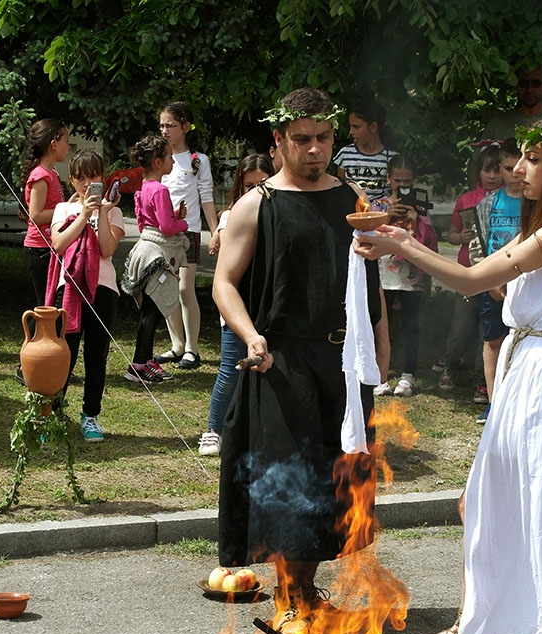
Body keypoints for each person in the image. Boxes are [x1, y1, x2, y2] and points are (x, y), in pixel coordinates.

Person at [355, 112, 542, 634]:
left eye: (533, 159)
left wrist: (401, 243)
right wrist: (403, 245)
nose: (518, 169)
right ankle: (476, 632)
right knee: (485, 501)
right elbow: (498, 282)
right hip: (533, 363)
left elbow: (471, 283)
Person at [212, 88, 381, 606]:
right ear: (278, 140)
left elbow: (369, 286)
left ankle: (305, 589)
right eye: (301, 139)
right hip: (282, 358)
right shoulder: (255, 205)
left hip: (344, 360)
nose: (314, 149)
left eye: (323, 138)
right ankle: (292, 597)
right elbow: (223, 283)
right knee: (291, 481)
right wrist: (250, 335)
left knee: (334, 478)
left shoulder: (352, 201)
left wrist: (379, 355)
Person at [198, 153, 275, 456]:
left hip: (268, 307)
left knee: (265, 369)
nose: (256, 190)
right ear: (239, 189)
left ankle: (255, 430)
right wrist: (218, 232)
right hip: (237, 306)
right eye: (248, 185)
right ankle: (213, 429)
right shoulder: (234, 215)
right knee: (231, 369)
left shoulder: (280, 211)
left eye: (263, 183)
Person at [48, 150, 125, 442]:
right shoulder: (63, 211)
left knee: (96, 356)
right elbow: (58, 244)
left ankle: (90, 415)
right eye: (80, 177)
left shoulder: (113, 211)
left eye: (92, 176)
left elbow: (106, 250)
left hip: (103, 289)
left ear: (102, 179)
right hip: (68, 288)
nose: (86, 183)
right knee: (62, 354)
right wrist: (83, 213)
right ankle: (53, 411)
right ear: (72, 180)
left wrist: (102, 212)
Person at [433, 145, 503, 394]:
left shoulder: (509, 200)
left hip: (496, 274)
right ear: (479, 173)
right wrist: (460, 235)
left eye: (497, 170)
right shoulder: (466, 199)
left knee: (489, 330)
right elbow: (450, 236)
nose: (492, 176)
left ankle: (481, 381)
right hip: (466, 271)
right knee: (460, 326)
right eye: (487, 171)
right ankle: (449, 365)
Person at [155, 101, 218, 371]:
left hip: (189, 232)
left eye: (170, 125)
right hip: (162, 233)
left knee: (184, 288)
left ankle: (192, 348)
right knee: (166, 289)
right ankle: (177, 345)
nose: (164, 130)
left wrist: (215, 231)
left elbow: (206, 197)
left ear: (185, 126)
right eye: (162, 125)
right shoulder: (159, 159)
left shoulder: (198, 160)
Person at [120, 134, 187, 385]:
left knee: (150, 310)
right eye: (169, 157)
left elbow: (144, 222)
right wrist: (182, 221)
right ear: (158, 162)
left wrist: (171, 215)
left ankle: (145, 360)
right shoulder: (160, 189)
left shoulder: (142, 189)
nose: (172, 161)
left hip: (146, 248)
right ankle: (138, 364)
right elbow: (168, 227)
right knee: (153, 312)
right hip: (158, 253)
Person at [370, 153, 438, 399]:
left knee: (411, 326)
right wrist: (388, 216)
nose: (402, 185)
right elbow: (368, 236)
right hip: (383, 275)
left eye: (407, 180)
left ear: (415, 180)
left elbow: (429, 243)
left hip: (412, 276)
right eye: (398, 180)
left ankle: (409, 375)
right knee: (381, 327)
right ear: (389, 179)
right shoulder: (377, 206)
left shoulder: (420, 207)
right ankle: (380, 375)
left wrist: (415, 220)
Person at [471, 139, 524, 422]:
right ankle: (494, 401)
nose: (515, 172)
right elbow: (477, 244)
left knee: (522, 344)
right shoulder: (487, 203)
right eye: (507, 167)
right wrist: (489, 282)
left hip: (526, 282)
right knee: (493, 341)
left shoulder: (536, 203)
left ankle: (517, 402)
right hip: (493, 283)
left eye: (519, 166)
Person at [22, 119, 69, 306]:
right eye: (66, 141)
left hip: (51, 246)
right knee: (46, 306)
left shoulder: (53, 172)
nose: (68, 146)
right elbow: (36, 215)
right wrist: (65, 211)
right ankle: (34, 336)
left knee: (53, 304)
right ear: (54, 144)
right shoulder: (40, 175)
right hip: (39, 249)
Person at [334, 99, 398, 203]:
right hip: (354, 213)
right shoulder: (345, 154)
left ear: (373, 127)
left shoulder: (392, 158)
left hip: (382, 214)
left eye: (356, 127)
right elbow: (341, 189)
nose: (351, 132)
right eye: (350, 126)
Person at [480, 67, 542, 142]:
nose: (529, 89)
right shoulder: (497, 124)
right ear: (516, 86)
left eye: (536, 83)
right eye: (523, 83)